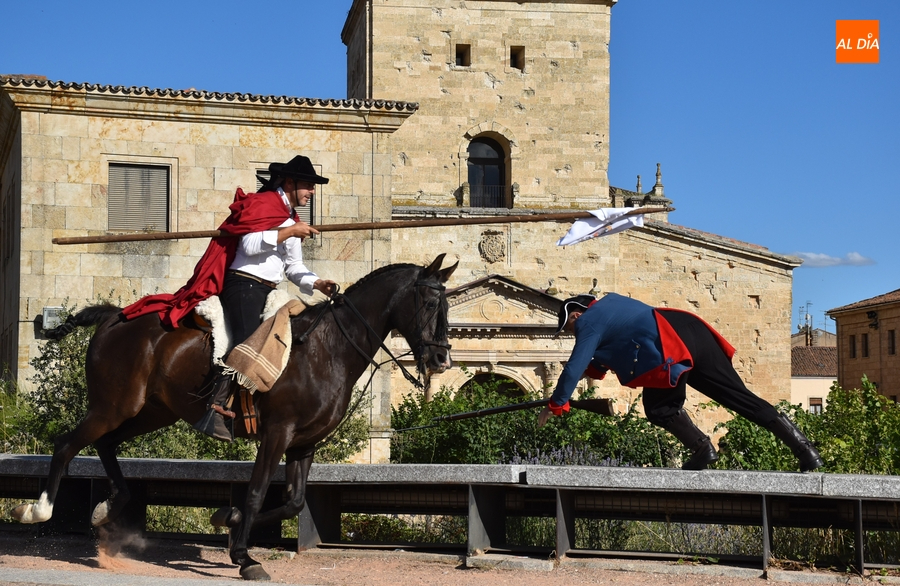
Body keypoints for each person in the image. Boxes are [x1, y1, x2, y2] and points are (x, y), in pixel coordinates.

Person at [122, 155, 337, 441]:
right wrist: (288, 232)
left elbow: (294, 268)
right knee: (249, 342)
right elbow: (250, 244)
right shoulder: (263, 205)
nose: (312, 192)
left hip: (269, 289)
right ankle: (217, 404)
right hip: (243, 285)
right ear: (290, 183)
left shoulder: (293, 221)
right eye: (308, 185)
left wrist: (317, 282)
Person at [538, 293, 823, 472]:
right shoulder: (612, 305)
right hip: (692, 330)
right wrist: (583, 376)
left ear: (576, 315)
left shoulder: (588, 321)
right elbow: (606, 356)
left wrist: (556, 402)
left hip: (670, 343)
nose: (573, 333)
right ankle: (806, 451)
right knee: (740, 398)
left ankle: (702, 449)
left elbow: (576, 364)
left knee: (658, 408)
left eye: (569, 328)